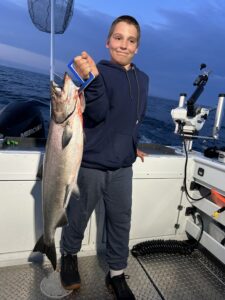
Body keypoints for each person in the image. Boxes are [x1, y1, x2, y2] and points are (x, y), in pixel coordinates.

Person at [60, 15, 149, 300]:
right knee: (78, 216)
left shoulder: (143, 79)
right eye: (118, 38)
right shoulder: (95, 72)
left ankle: (116, 275)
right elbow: (97, 115)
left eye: (131, 40)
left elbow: (132, 119)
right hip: (92, 165)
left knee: (121, 222)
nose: (124, 45)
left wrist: (131, 144)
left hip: (123, 167)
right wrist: (88, 78)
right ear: (107, 41)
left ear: (137, 47)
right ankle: (69, 256)